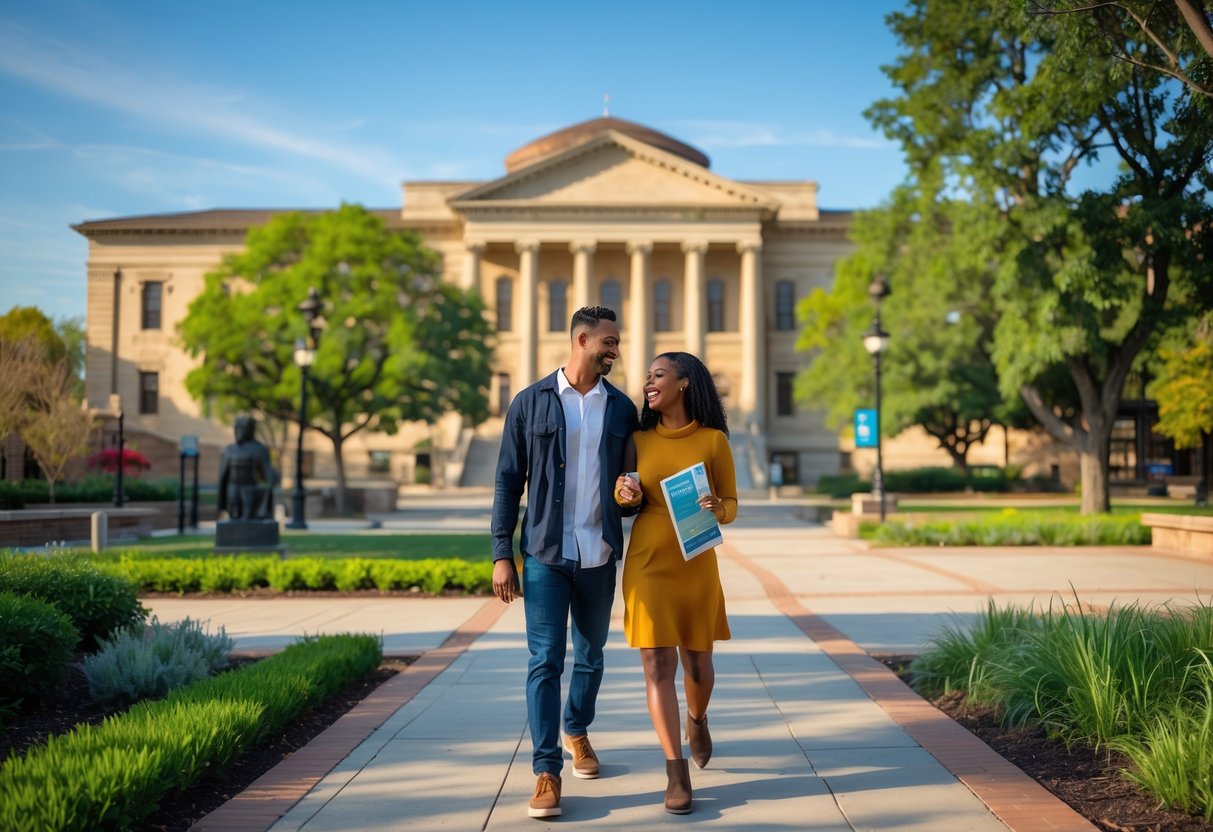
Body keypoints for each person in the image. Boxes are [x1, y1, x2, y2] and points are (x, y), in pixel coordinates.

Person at [491, 306, 640, 819]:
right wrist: (501, 554)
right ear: (581, 340)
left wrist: (631, 494)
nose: (616, 350)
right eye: (609, 341)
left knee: (593, 654)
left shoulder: (621, 409)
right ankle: (546, 771)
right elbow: (509, 481)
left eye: (617, 342)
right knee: (545, 660)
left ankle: (576, 728)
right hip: (544, 555)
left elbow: (631, 488)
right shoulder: (529, 403)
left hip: (598, 554)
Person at [614, 351, 737, 815]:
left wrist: (717, 508)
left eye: (658, 375)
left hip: (696, 560)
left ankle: (698, 718)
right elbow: (625, 489)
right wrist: (622, 493)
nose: (649, 382)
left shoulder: (713, 441)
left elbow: (732, 501)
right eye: (647, 376)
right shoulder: (638, 440)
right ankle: (675, 771)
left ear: (684, 383)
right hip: (648, 560)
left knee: (699, 666)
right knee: (655, 666)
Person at [216, 415, 277, 520]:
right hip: (232, 488)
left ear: (250, 430)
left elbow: (267, 471)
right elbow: (223, 476)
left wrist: (273, 478)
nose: (238, 431)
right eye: (237, 428)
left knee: (247, 517)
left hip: (249, 489)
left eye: (242, 428)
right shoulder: (229, 450)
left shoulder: (259, 449)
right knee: (234, 516)